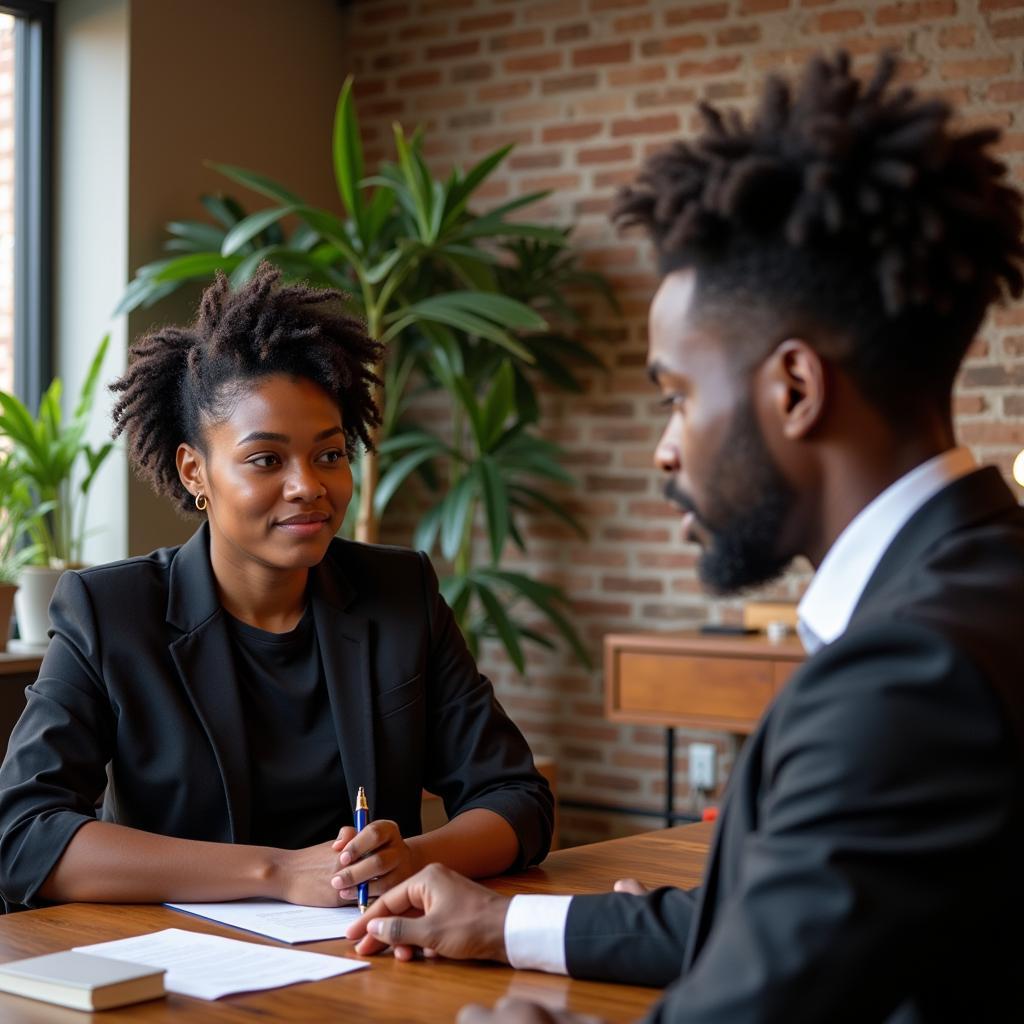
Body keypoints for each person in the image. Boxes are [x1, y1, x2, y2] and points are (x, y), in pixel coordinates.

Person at [345, 51, 1024, 1023]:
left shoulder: (906, 678)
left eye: (675, 396)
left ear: (792, 389)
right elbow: (788, 922)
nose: (666, 450)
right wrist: (506, 925)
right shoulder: (987, 584)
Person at [0, 265, 552, 911]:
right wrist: (280, 873)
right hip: (180, 974)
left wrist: (408, 859)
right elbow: (22, 836)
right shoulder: (111, 613)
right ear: (195, 470)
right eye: (266, 460)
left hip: (369, 960)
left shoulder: (399, 593)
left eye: (329, 454)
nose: (307, 486)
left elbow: (517, 799)